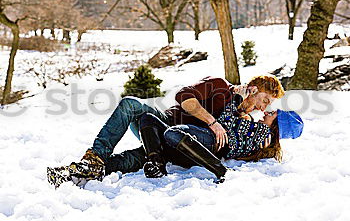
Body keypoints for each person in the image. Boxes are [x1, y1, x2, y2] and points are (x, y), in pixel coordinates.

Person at [47, 75, 285, 188]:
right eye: (264, 100)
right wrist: (211, 121)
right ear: (253, 89)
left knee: (130, 160)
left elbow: (241, 142)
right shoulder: (220, 86)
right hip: (162, 123)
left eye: (268, 106)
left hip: (171, 147)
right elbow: (184, 97)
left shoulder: (239, 114)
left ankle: (75, 174)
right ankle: (95, 158)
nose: (263, 107)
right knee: (131, 104)